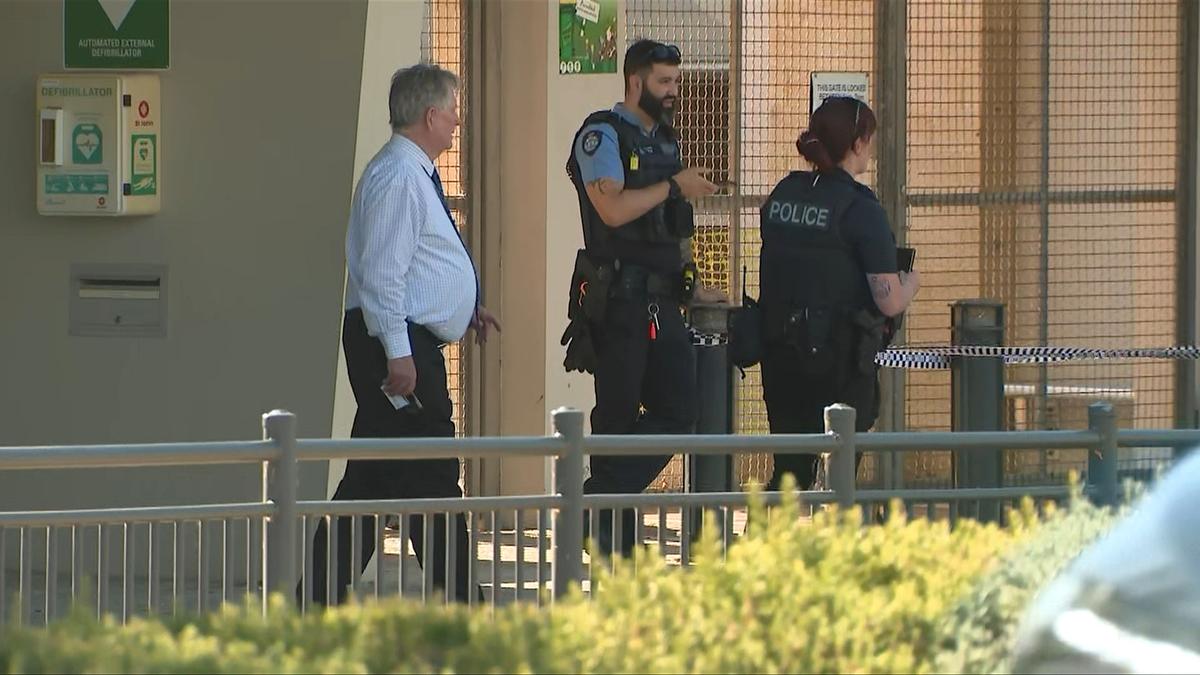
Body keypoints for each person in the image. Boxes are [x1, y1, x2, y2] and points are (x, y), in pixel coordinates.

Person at [302, 63, 500, 606]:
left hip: (402, 341)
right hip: (396, 348)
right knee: (431, 471)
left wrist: (464, 309)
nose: (458, 122)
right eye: (454, 110)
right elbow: (382, 275)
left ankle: (314, 600)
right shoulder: (397, 176)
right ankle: (459, 603)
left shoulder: (411, 173)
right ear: (431, 114)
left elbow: (415, 267)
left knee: (374, 480)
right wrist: (399, 352)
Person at [561, 39, 723, 557]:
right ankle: (609, 532)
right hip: (620, 303)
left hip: (661, 302)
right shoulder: (601, 135)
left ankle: (598, 502)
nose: (674, 91)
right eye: (664, 82)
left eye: (676, 81)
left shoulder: (666, 142)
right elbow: (611, 210)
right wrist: (674, 186)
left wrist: (693, 282)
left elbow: (672, 231)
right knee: (616, 420)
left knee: (681, 409)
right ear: (635, 81)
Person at [757, 96, 919, 492]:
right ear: (858, 143)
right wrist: (911, 281)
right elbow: (889, 300)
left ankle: (757, 552)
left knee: (788, 475)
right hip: (839, 364)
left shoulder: (784, 194)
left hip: (780, 357)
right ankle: (836, 550)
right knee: (840, 478)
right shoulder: (860, 208)